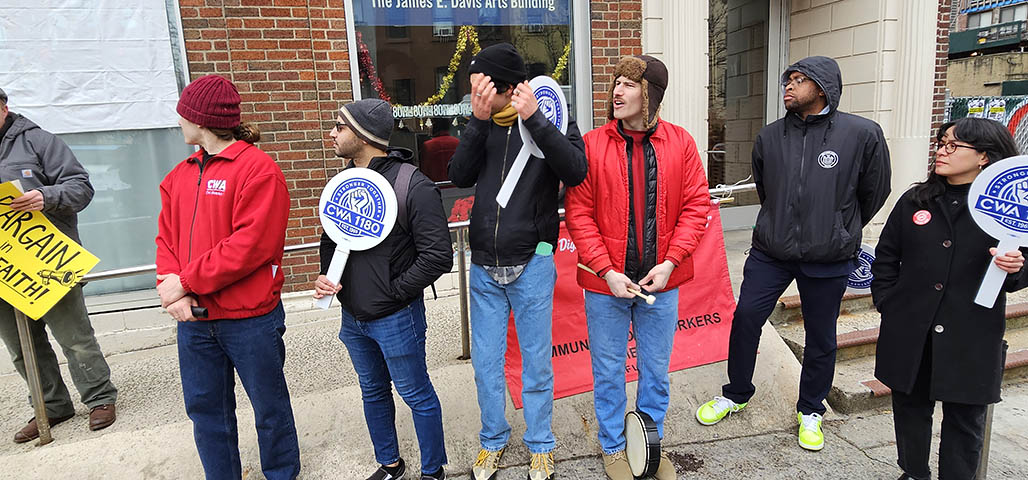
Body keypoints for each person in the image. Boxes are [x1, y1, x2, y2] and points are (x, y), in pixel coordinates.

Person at [695, 56, 892, 451]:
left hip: (828, 256)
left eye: (799, 80)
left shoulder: (862, 134)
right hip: (772, 251)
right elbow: (767, 190)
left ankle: (811, 409)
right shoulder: (770, 136)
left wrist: (840, 227)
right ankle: (736, 393)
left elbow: (875, 190)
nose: (789, 85)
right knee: (747, 317)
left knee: (820, 335)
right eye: (788, 79)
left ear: (822, 88)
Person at [565, 55, 710, 480]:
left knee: (655, 373)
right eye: (616, 82)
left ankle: (649, 444)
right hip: (605, 286)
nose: (617, 91)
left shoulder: (681, 143)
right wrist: (606, 271)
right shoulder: (591, 144)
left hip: (661, 284)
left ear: (650, 95)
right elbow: (579, 213)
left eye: (628, 84)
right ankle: (614, 447)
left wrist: (669, 263)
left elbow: (696, 206)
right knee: (608, 372)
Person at [447, 43, 588, 480]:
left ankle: (541, 443)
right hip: (484, 266)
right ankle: (493, 439)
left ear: (505, 87)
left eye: (479, 87)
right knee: (486, 365)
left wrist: (536, 120)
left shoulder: (552, 116)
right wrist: (476, 121)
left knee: (536, 363)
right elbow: (458, 175)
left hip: (533, 262)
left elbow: (576, 170)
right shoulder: (482, 122)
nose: (473, 94)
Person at [155, 75, 300, 479]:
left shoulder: (258, 171)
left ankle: (282, 474)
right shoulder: (179, 175)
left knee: (269, 408)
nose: (179, 120)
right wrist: (173, 289)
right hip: (195, 320)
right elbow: (165, 239)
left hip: (249, 318)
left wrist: (185, 282)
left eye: (183, 113)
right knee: (206, 413)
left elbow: (250, 246)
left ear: (201, 120)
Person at [872, 117, 1026, 480]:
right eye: (941, 143)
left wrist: (1015, 268)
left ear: (984, 156)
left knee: (964, 419)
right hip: (911, 327)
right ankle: (913, 472)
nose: (942, 150)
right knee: (910, 409)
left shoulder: (1007, 209)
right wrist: (887, 301)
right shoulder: (915, 200)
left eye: (953, 145)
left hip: (971, 330)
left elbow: (1022, 269)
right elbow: (887, 255)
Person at [313, 99, 453, 480]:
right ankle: (390, 465)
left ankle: (433, 471)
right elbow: (330, 241)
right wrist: (326, 277)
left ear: (363, 136)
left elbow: (439, 256)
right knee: (373, 392)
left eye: (339, 127)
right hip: (353, 318)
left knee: (416, 394)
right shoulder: (342, 184)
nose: (331, 134)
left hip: (397, 318)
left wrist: (395, 292)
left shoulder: (413, 184)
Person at [0, 87, 118, 443]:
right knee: (22, 348)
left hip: (46, 261)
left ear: (3, 107)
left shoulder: (39, 141)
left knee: (75, 338)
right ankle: (51, 406)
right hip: (5, 269)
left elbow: (81, 187)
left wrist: (46, 196)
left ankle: (99, 398)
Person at [420, 118, 459, 183]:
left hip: (435, 186)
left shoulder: (428, 146)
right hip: (455, 186)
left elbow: (424, 171)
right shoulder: (457, 143)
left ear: (435, 126)